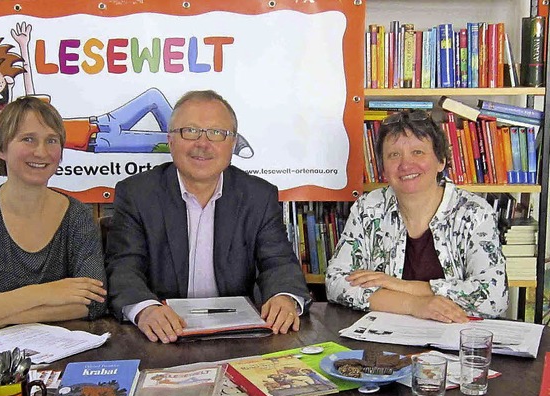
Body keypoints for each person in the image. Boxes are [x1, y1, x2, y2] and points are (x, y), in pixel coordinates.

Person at [106, 90, 311, 343]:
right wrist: (145, 309)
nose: (202, 144)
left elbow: (278, 262)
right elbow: (124, 266)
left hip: (237, 338)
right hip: (163, 336)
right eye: (190, 131)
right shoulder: (137, 194)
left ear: (233, 143)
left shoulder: (258, 195)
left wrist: (284, 296)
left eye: (217, 133)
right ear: (170, 139)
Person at [0, 97, 107, 335]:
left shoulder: (77, 216)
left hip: (64, 357)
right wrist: (45, 293)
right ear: (1, 149)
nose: (41, 152)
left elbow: (93, 302)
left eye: (52, 140)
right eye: (28, 139)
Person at [325, 110, 508, 323]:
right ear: (383, 167)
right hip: (385, 340)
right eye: (394, 155)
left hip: (454, 340)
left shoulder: (474, 212)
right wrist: (414, 305)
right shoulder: (369, 208)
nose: (405, 164)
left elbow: (494, 297)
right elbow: (335, 282)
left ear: (441, 161)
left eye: (418, 152)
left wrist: (400, 286)